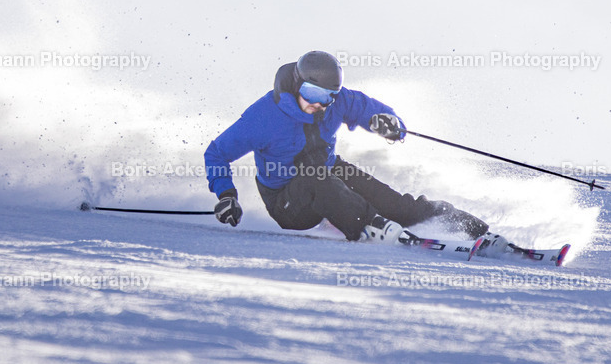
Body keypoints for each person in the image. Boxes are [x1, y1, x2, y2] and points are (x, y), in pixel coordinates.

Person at [203, 51, 489, 243]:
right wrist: (226, 195)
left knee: (393, 202)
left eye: (328, 97)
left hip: (328, 171)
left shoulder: (337, 102)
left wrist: (390, 124)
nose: (319, 103)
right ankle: (373, 227)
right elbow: (216, 153)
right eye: (312, 93)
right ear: (297, 83)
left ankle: (473, 230)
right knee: (319, 179)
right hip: (287, 201)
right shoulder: (263, 116)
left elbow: (371, 110)